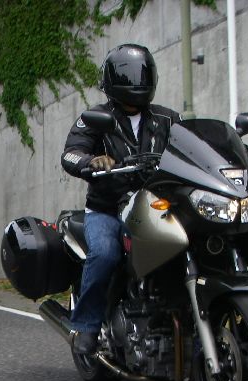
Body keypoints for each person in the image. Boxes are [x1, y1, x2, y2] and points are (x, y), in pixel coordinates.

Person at [60, 43, 182, 354]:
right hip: (108, 209)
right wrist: (91, 161)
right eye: (130, 76)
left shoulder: (168, 119)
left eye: (142, 75)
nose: (137, 81)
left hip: (154, 207)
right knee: (105, 254)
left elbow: (192, 149)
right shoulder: (95, 118)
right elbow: (71, 154)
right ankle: (87, 326)